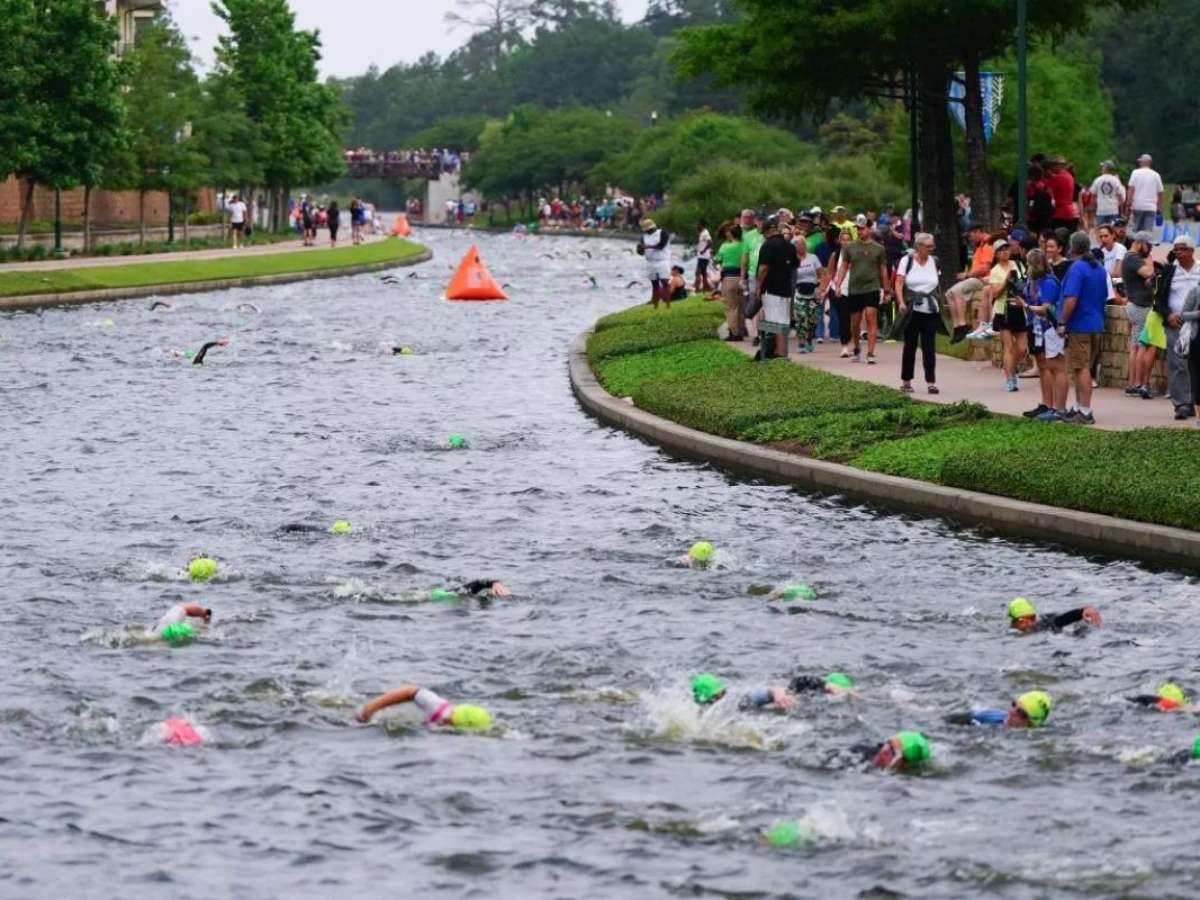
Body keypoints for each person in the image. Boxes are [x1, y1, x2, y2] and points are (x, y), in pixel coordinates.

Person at [1060, 231, 1109, 424]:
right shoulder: (1099, 268)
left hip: (1079, 325)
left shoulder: (1077, 268)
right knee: (1083, 367)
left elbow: (1071, 299)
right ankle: (1079, 407)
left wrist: (1062, 321)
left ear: (1072, 247)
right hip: (1096, 323)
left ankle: (1086, 411)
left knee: (1081, 368)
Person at [1153, 234, 1200, 420]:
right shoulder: (1169, 272)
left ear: (1192, 251)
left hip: (1197, 323)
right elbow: (1158, 299)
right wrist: (1168, 315)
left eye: (1183, 249)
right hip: (1176, 324)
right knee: (1178, 363)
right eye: (1176, 249)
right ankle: (1182, 404)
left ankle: (1195, 400)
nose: (1179, 253)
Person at [894, 232, 946, 394]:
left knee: (929, 346)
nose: (931, 249)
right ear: (919, 246)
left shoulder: (934, 262)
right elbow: (899, 282)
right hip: (912, 309)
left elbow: (937, 285)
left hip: (930, 309)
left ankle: (931, 382)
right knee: (910, 345)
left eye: (932, 246)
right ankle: (906, 381)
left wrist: (941, 303)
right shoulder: (907, 260)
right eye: (928, 246)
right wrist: (901, 302)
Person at [834, 216, 889, 363]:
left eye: (862, 228)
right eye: (858, 228)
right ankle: (857, 347)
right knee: (855, 322)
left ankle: (870, 353)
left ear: (869, 229)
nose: (859, 231)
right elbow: (843, 267)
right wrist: (838, 284)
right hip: (855, 288)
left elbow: (883, 269)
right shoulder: (850, 247)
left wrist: (886, 289)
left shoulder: (879, 248)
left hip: (872, 287)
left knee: (871, 317)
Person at [1022, 249, 1068, 420]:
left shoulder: (1049, 282)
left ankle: (1055, 405)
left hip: (1048, 327)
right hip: (1035, 326)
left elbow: (1046, 308)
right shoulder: (1031, 281)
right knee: (1042, 365)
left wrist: (1026, 306)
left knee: (1051, 366)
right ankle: (1045, 403)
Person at [986, 240, 1029, 392]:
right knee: (1008, 347)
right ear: (996, 254)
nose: (1005, 252)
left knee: (1022, 348)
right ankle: (1009, 379)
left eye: (1006, 248)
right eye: (1001, 250)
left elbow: (1024, 284)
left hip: (1019, 308)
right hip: (1003, 311)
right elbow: (995, 294)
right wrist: (1006, 280)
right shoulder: (995, 271)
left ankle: (1012, 368)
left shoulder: (1019, 265)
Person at [356, 684, 493, 731]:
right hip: (388, 712)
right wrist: (371, 708)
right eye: (450, 718)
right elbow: (409, 690)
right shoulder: (436, 706)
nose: (447, 720)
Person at [755, 216, 798, 361]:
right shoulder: (790, 246)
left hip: (771, 288)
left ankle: (779, 353)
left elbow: (763, 267)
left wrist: (758, 285)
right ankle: (780, 351)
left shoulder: (768, 245)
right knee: (783, 321)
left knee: (774, 321)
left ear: (769, 231)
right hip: (785, 288)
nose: (763, 236)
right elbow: (794, 265)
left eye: (763, 233)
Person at [1122, 232, 1159, 399]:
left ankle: (1132, 384)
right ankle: (1137, 384)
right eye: (1148, 246)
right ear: (1139, 243)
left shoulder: (1129, 258)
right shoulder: (1134, 259)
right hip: (1140, 306)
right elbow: (1149, 273)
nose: (1150, 249)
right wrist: (1150, 260)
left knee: (1136, 346)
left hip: (1135, 304)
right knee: (1140, 346)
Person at [956, 224, 996, 341]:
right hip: (976, 278)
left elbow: (985, 268)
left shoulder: (987, 244)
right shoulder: (979, 246)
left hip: (983, 279)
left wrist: (967, 275)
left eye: (970, 236)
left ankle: (963, 326)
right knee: (955, 293)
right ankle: (965, 325)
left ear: (977, 232)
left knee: (956, 292)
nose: (970, 239)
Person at [945, 691, 1053, 728]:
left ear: (1032, 723)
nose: (1012, 711)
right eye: (1014, 705)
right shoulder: (986, 716)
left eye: (1020, 713)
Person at [791, 234, 824, 354]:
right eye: (798, 245)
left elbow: (821, 274)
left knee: (812, 320)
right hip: (799, 293)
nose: (801, 247)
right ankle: (801, 342)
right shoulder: (793, 260)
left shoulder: (813, 258)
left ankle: (809, 339)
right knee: (801, 318)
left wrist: (820, 288)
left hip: (813, 292)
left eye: (802, 244)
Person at [715, 222, 746, 341]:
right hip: (743, 278)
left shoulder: (725, 246)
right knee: (741, 305)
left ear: (731, 234)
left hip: (729, 278)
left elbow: (718, 259)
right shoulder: (745, 245)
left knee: (730, 307)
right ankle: (742, 330)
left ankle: (734, 332)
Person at [1007, 596, 1102, 632]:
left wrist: (1082, 611)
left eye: (1032, 618)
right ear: (1013, 622)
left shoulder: (1042, 626)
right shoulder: (1009, 633)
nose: (1030, 623)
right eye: (1022, 620)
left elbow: (1061, 620)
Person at [847, 731, 931, 772]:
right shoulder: (857, 752)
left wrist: (889, 771)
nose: (886, 750)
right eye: (889, 743)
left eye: (894, 753)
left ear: (903, 765)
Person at [636, 218, 673, 309]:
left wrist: (647, 246)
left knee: (664, 282)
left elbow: (661, 246)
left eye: (648, 230)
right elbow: (641, 253)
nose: (647, 231)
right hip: (650, 262)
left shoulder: (662, 233)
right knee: (654, 284)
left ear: (653, 227)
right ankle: (655, 305)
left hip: (663, 261)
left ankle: (668, 305)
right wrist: (640, 249)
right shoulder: (644, 237)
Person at [1126, 153, 1164, 235]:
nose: (1139, 163)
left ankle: (1136, 241)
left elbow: (1131, 189)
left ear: (1144, 162)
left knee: (1136, 230)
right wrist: (1159, 206)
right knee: (1148, 231)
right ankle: (1146, 242)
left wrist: (1128, 203)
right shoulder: (1156, 175)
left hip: (1137, 205)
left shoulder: (1135, 173)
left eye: (1140, 161)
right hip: (1151, 207)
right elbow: (1160, 192)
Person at [144, 602, 212, 640]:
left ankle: (205, 614)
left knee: (183, 609)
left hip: (163, 624)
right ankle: (205, 615)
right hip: (166, 624)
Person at [1045, 156, 1079, 233]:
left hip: (1060, 213)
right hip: (1070, 212)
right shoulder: (1069, 176)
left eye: (1053, 165)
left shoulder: (1058, 178)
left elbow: (1046, 189)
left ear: (1059, 166)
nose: (1051, 168)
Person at [1091, 161, 1126, 227]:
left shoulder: (1097, 180)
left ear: (1105, 168)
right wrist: (1121, 212)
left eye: (1102, 167)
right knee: (1113, 230)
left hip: (1101, 211)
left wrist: (1093, 212)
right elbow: (1120, 197)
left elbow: (1093, 197)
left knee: (1101, 230)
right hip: (1113, 210)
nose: (1101, 169)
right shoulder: (1116, 180)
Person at [694, 220, 713, 293]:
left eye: (698, 225)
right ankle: (705, 290)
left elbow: (710, 242)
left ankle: (697, 290)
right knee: (703, 273)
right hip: (701, 256)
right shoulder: (702, 233)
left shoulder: (705, 233)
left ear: (702, 225)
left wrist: (703, 251)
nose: (696, 226)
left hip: (704, 256)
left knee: (697, 272)